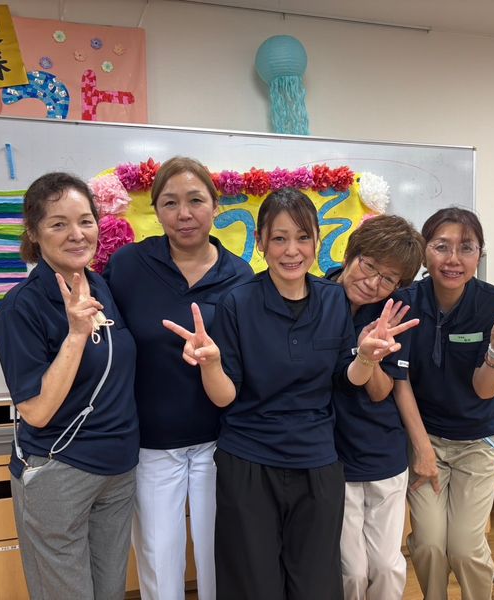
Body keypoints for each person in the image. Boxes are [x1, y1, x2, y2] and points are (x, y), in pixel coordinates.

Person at [163, 188, 418, 599]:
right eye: (279, 238)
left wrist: (366, 357)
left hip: (317, 464)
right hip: (249, 462)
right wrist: (211, 364)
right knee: (254, 586)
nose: (291, 250)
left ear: (317, 241)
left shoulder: (333, 300)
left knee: (314, 586)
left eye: (302, 237)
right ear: (260, 242)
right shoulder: (237, 302)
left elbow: (347, 378)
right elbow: (225, 397)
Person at [103, 157, 254, 600]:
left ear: (215, 206)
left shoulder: (240, 276)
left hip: (220, 443)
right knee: (159, 561)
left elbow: (246, 361)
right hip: (151, 444)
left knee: (219, 558)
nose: (184, 214)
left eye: (195, 201)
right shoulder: (129, 266)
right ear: (156, 210)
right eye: (170, 203)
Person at [0, 172, 139, 600]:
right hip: (61, 470)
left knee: (109, 592)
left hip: (118, 470)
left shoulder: (101, 286)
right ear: (34, 233)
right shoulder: (22, 307)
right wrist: (75, 336)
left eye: (85, 221)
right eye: (59, 224)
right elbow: (36, 411)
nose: (77, 234)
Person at [397, 207, 494, 600]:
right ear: (424, 251)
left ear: (480, 253)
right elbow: (400, 382)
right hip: (425, 438)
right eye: (441, 246)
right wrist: (423, 449)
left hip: (478, 441)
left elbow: (484, 390)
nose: (453, 259)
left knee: (464, 547)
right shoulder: (405, 302)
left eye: (466, 247)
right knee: (428, 543)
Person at [327, 215, 425, 600]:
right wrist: (359, 348)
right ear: (351, 254)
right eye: (369, 266)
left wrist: (370, 355)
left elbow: (382, 391)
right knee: (350, 571)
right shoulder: (316, 296)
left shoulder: (394, 311)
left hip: (382, 451)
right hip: (332, 455)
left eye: (388, 279)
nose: (373, 283)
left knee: (385, 566)